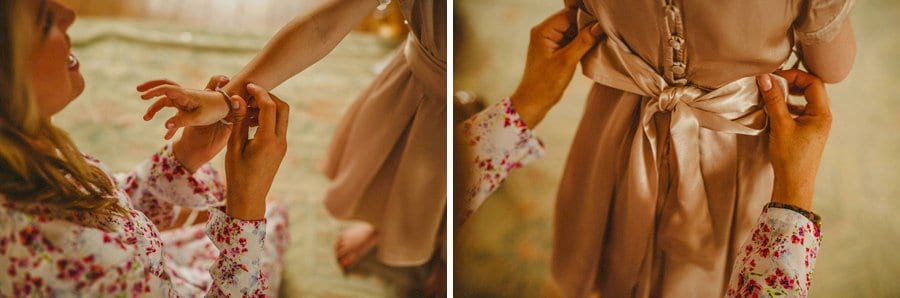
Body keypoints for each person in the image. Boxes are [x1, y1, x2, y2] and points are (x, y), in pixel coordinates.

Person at [458, 7, 834, 297]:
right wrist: (794, 191)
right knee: (731, 240)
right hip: (735, 137)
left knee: (613, 212)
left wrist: (529, 102)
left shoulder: (433, 184)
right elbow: (831, 66)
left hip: (621, 118)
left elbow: (577, 15)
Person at [137, 0, 447, 278]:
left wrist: (193, 145)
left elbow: (119, 200)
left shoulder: (90, 203)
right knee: (398, 173)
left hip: (141, 250)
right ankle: (387, 224)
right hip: (179, 277)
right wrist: (246, 204)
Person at [0, 1, 290, 296]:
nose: (70, 14)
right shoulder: (75, 262)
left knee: (248, 217)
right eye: (46, 21)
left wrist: (186, 154)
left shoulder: (24, 156)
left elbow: (107, 211)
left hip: (151, 272)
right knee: (271, 220)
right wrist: (245, 207)